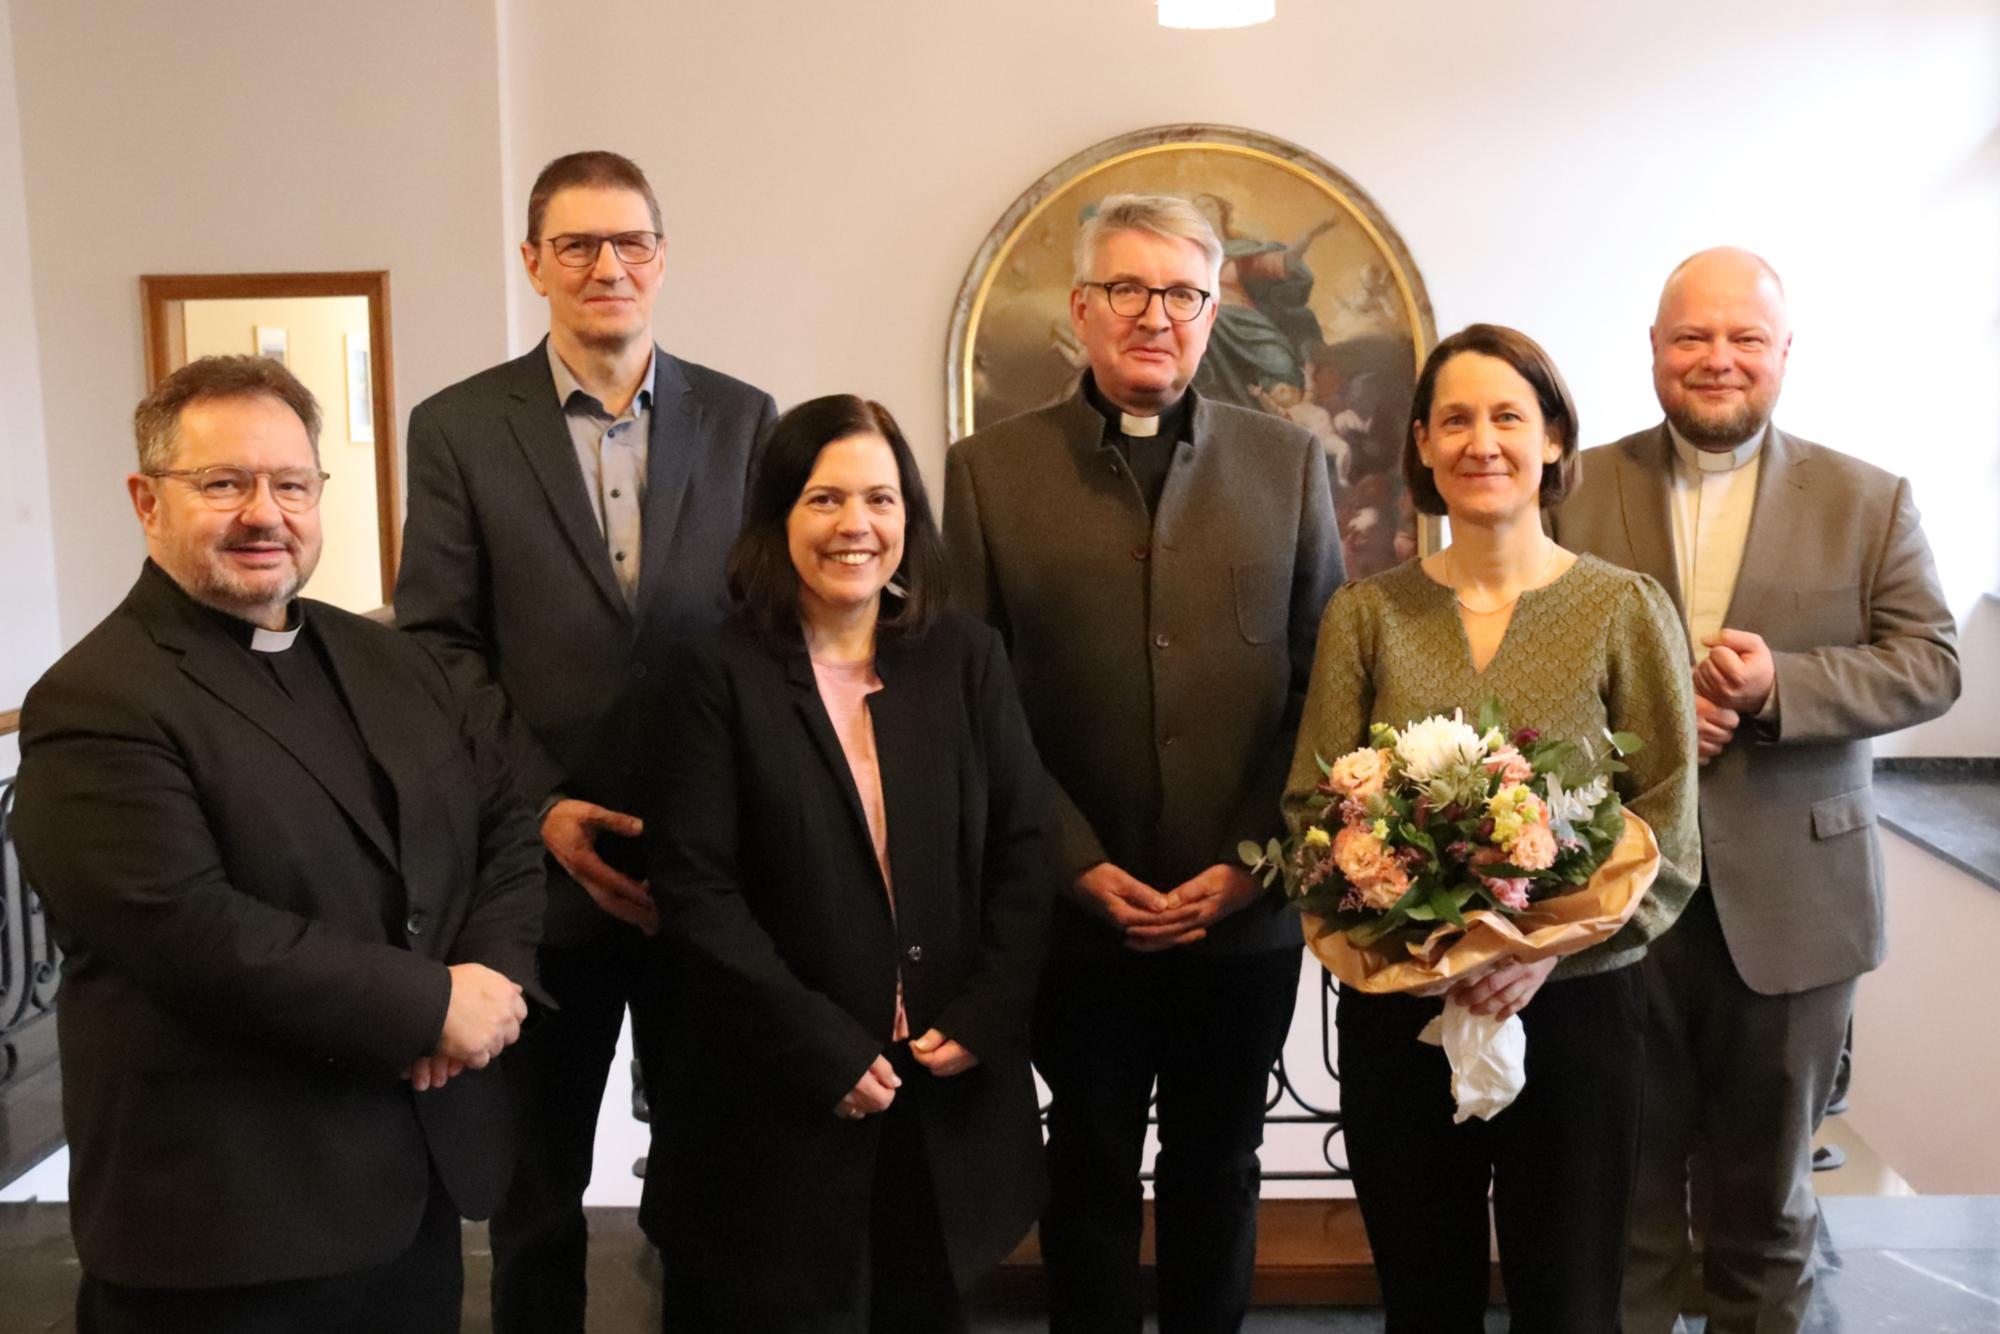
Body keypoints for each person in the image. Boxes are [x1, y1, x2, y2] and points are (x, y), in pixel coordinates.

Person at [11, 356, 545, 1334]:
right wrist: (428, 1004)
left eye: (291, 484)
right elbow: (192, 932)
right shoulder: (95, 700)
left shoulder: (390, 657)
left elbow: (502, 817)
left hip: (405, 1196)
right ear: (146, 498)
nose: (265, 513)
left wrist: (491, 975)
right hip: (228, 1229)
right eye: (223, 483)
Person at [944, 193, 1343, 1334]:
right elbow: (975, 696)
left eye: (1180, 293)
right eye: (1126, 289)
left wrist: (1254, 862)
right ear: (1080, 307)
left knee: (1219, 1163)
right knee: (1088, 1162)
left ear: (1213, 311)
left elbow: (1322, 685)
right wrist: (1072, 861)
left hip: (1241, 910)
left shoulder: (1286, 465)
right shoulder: (987, 472)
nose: (1152, 316)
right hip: (1074, 915)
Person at [393, 149, 777, 1331]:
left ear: (663, 258)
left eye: (630, 243)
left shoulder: (746, 417)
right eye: (576, 245)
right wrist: (543, 805)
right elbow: (442, 644)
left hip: (705, 866)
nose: (606, 266)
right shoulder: (457, 426)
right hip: (535, 868)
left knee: (714, 1185)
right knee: (537, 1193)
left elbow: (769, 631)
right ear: (533, 263)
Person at [1549, 248, 1960, 1333]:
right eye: (1690, 337)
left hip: (1795, 905)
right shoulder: (1571, 488)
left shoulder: (1869, 499)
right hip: (1614, 898)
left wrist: (1783, 683)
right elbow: (1520, 670)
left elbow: (1932, 660)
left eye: (1742, 338)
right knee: (1623, 1206)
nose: (1715, 359)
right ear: (1651, 349)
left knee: (1765, 1212)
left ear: (1782, 353)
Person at [1284, 323, 1702, 1332]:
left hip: (1574, 1012)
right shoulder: (1364, 614)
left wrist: (1539, 954)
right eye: (1455, 419)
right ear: (1421, 444)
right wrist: (1400, 930)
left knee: (1568, 1301)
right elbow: (1309, 810)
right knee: (1422, 1301)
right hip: (1400, 1010)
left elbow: (1667, 820)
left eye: (1507, 415)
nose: (1482, 441)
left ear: (1552, 439)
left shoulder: (1623, 607)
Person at [641, 395, 1050, 1331]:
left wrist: (985, 1011)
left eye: (882, 498)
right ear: (779, 514)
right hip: (777, 1101)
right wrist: (820, 1043)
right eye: (825, 500)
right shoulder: (715, 673)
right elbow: (698, 890)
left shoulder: (963, 658)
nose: (856, 526)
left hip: (937, 1089)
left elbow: (1026, 850)